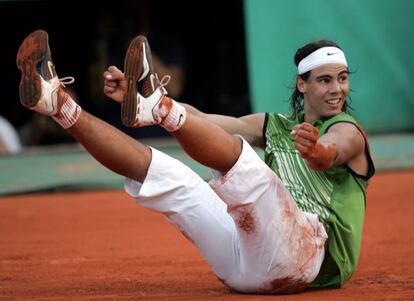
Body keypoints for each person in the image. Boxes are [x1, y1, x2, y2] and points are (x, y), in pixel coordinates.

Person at [16, 29, 374, 294]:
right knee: (170, 174)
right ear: (302, 85)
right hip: (242, 268)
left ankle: (157, 106)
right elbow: (203, 119)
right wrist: (141, 100)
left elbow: (334, 149)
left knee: (250, 168)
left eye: (342, 80)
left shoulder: (348, 129)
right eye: (325, 80)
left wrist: (318, 153)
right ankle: (57, 105)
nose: (337, 89)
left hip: (305, 261)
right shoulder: (276, 127)